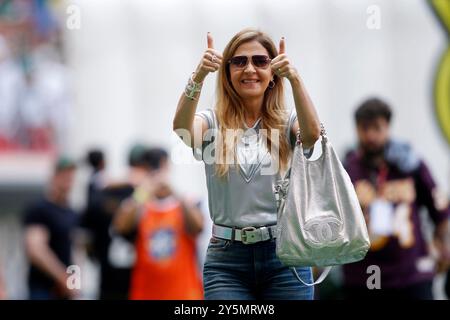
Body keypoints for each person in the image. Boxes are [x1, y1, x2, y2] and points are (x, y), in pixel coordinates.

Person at [172, 28, 321, 300]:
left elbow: (312, 136)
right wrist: (200, 75)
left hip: (285, 254)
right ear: (227, 72)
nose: (249, 69)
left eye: (260, 61)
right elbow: (182, 129)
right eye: (239, 61)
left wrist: (295, 79)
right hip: (227, 261)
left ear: (273, 72)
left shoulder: (287, 122)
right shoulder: (213, 121)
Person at [342, 98, 450, 300]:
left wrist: (444, 248)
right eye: (365, 128)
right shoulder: (346, 170)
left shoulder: (410, 166)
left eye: (377, 128)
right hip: (363, 276)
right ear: (356, 129)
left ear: (388, 127)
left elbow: (440, 211)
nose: (371, 135)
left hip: (411, 275)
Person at [113, 147, 205, 300]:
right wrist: (144, 191)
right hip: (146, 293)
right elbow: (120, 226)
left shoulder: (186, 200)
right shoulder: (139, 203)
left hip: (184, 294)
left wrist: (174, 193)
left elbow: (198, 227)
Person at [80, 144, 149, 300]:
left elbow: (87, 230)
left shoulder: (105, 187)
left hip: (110, 268)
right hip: (132, 270)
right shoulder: (143, 191)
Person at [23, 156, 79, 300]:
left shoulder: (71, 212)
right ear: (54, 176)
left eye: (71, 176)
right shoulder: (40, 209)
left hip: (65, 291)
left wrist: (74, 283)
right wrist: (63, 277)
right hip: (43, 289)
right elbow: (35, 249)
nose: (68, 180)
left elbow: (75, 250)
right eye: (64, 175)